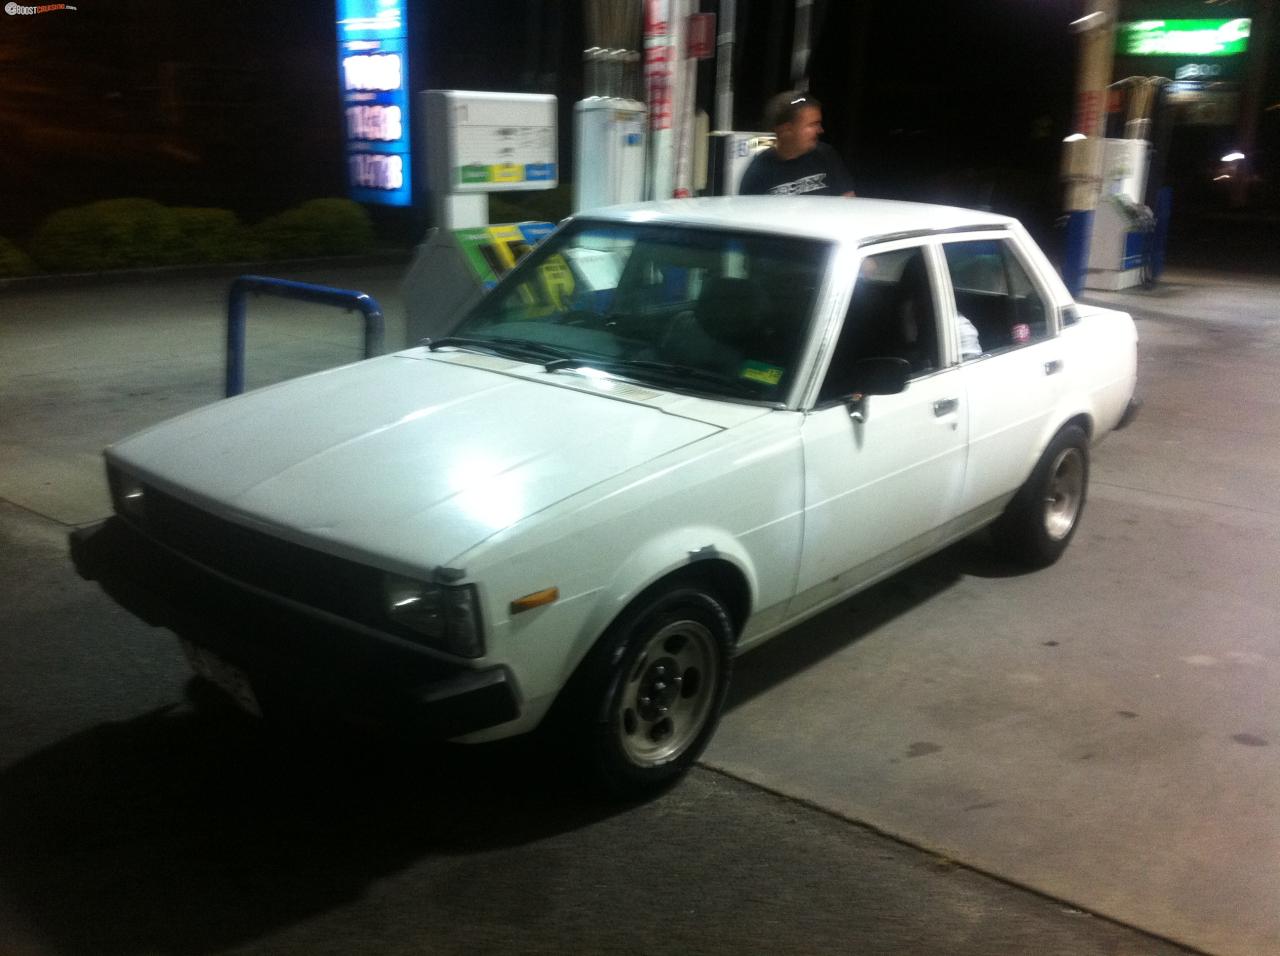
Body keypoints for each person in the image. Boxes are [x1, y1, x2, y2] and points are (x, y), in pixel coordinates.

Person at [737, 91, 854, 197]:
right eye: (813, 124)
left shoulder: (826, 155)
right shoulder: (758, 171)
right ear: (786, 130)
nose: (820, 130)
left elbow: (847, 199)